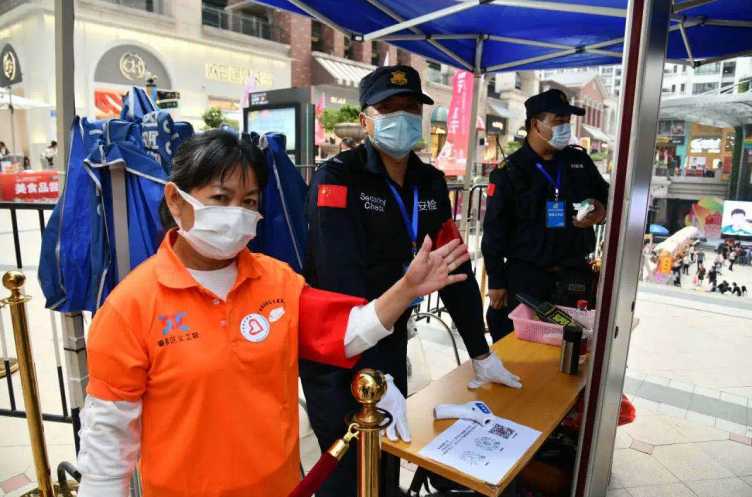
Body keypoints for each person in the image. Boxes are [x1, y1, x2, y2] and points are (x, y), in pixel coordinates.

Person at [75, 130, 470, 497]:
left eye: (248, 202)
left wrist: (406, 290)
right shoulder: (130, 307)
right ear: (176, 199)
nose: (236, 213)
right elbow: (108, 440)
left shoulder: (275, 280)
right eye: (220, 197)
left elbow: (346, 331)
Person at [301, 65, 522, 497]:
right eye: (388, 107)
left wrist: (480, 352)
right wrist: (370, 375)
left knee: (384, 458)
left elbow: (452, 268)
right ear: (365, 119)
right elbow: (336, 283)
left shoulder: (431, 182)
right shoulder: (339, 178)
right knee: (346, 470)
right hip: (340, 349)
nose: (401, 116)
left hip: (390, 338)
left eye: (409, 107)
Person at [482, 89, 608, 340]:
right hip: (527, 278)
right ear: (535, 125)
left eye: (567, 122)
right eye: (557, 121)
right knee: (515, 346)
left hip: (574, 276)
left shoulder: (579, 163)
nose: (565, 128)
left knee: (570, 349)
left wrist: (600, 211)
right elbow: (494, 231)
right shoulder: (510, 172)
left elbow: (608, 197)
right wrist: (496, 281)